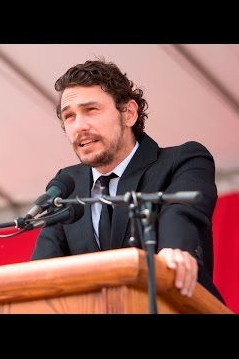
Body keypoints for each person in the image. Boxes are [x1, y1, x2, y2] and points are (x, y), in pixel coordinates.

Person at [31, 58, 224, 303]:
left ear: (129, 113)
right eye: (69, 116)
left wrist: (174, 250)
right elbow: (40, 271)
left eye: (91, 110)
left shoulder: (183, 160)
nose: (79, 126)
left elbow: (180, 215)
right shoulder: (66, 184)